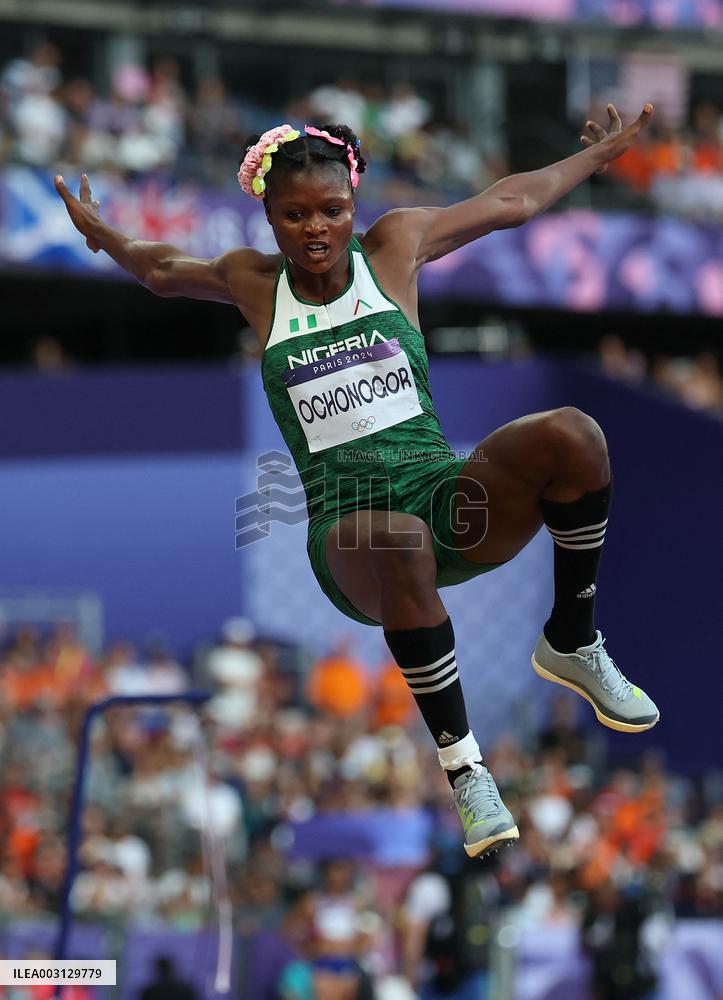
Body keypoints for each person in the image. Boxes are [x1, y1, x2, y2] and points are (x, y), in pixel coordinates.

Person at [55, 102, 660, 859]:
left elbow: (513, 200)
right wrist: (101, 234)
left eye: (332, 211)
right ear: (268, 217)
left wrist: (596, 159)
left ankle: (571, 641)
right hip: (348, 532)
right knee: (397, 538)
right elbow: (161, 270)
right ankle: (466, 770)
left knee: (573, 434)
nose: (315, 229)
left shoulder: (397, 247)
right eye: (294, 215)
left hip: (448, 500)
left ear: (355, 203)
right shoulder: (253, 283)